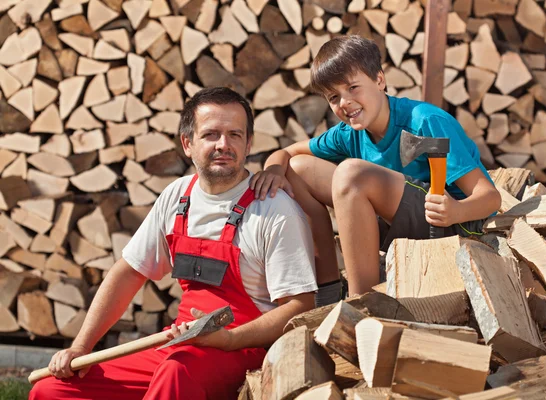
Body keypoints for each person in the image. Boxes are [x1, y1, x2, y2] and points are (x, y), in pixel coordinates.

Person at [29, 87, 318, 400]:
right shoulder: (177, 196)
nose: (224, 144)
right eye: (211, 134)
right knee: (52, 390)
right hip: (183, 343)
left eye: (235, 134)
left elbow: (299, 306)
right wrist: (81, 347)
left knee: (175, 375)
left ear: (249, 144)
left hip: (247, 350)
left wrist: (228, 339)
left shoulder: (272, 208)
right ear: (187, 144)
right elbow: (128, 272)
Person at [250, 35, 501, 299]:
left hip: (451, 227)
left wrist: (456, 211)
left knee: (350, 174)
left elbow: (490, 197)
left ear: (379, 80)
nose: (344, 102)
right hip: (399, 224)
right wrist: (274, 171)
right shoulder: (348, 133)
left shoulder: (425, 122)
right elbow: (287, 153)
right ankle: (327, 290)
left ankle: (362, 302)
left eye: (353, 88)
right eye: (334, 97)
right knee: (297, 169)